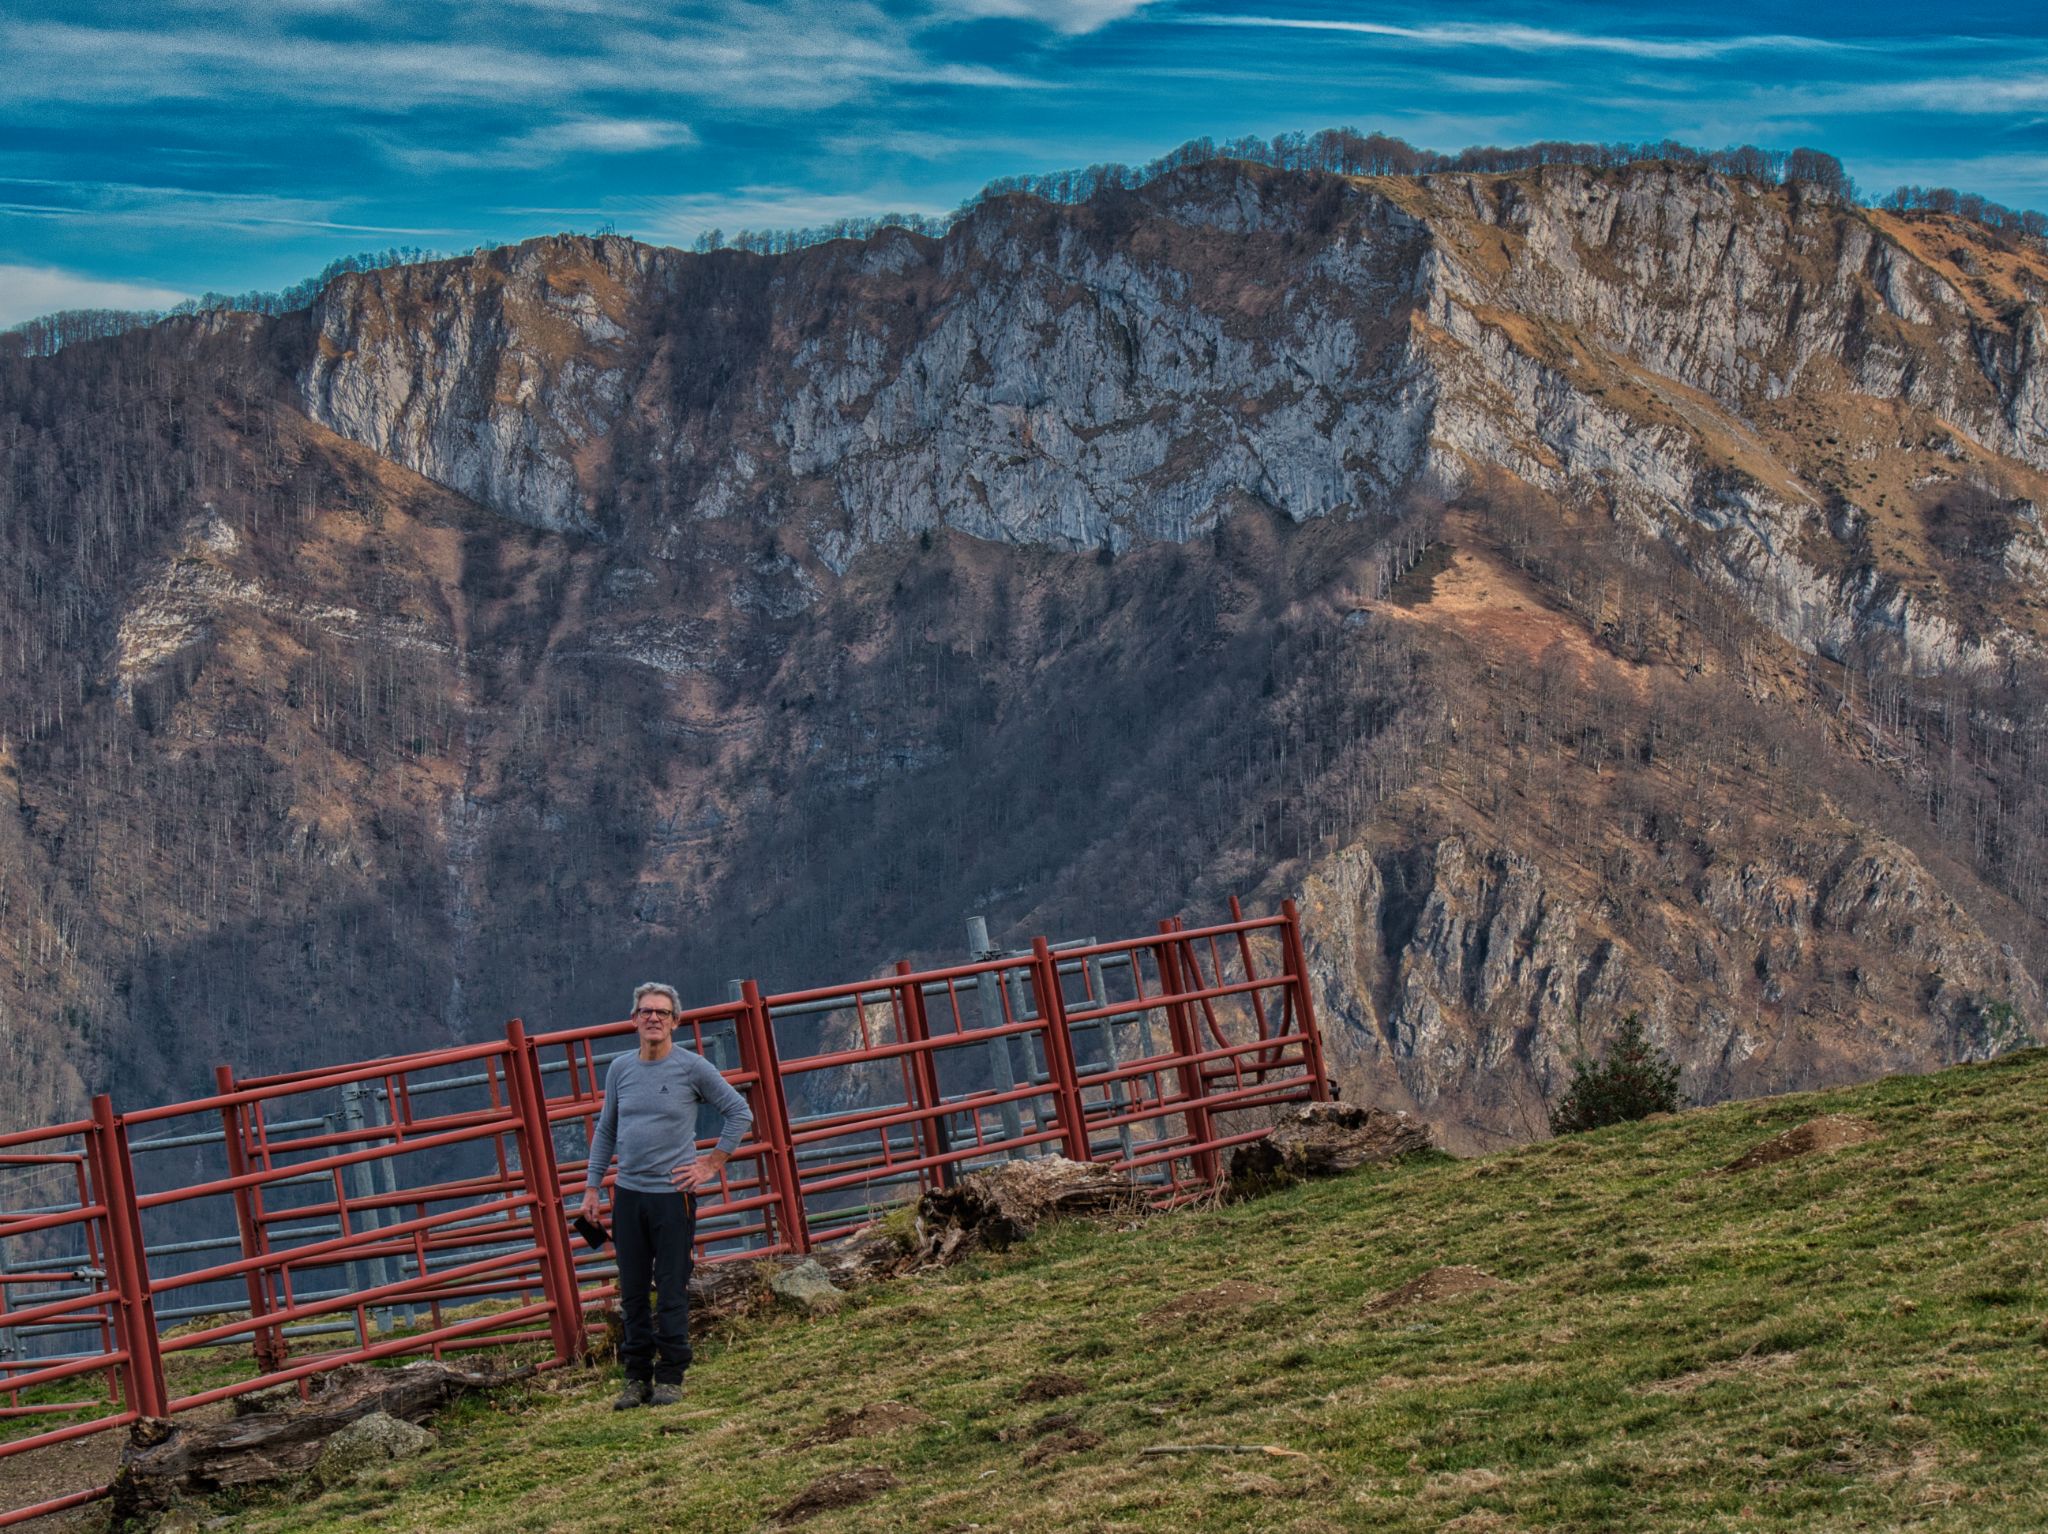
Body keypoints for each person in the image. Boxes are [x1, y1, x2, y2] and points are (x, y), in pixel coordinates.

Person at [580, 981, 752, 1409]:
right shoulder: (620, 1069)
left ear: (676, 1021)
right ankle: (635, 1378)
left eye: (661, 1012)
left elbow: (739, 1112)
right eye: (645, 1012)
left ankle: (671, 1376)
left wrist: (711, 1165)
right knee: (633, 1290)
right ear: (633, 1020)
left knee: (672, 1287)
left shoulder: (693, 1068)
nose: (653, 1018)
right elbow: (607, 1130)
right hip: (628, 1194)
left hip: (673, 1196)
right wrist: (591, 1186)